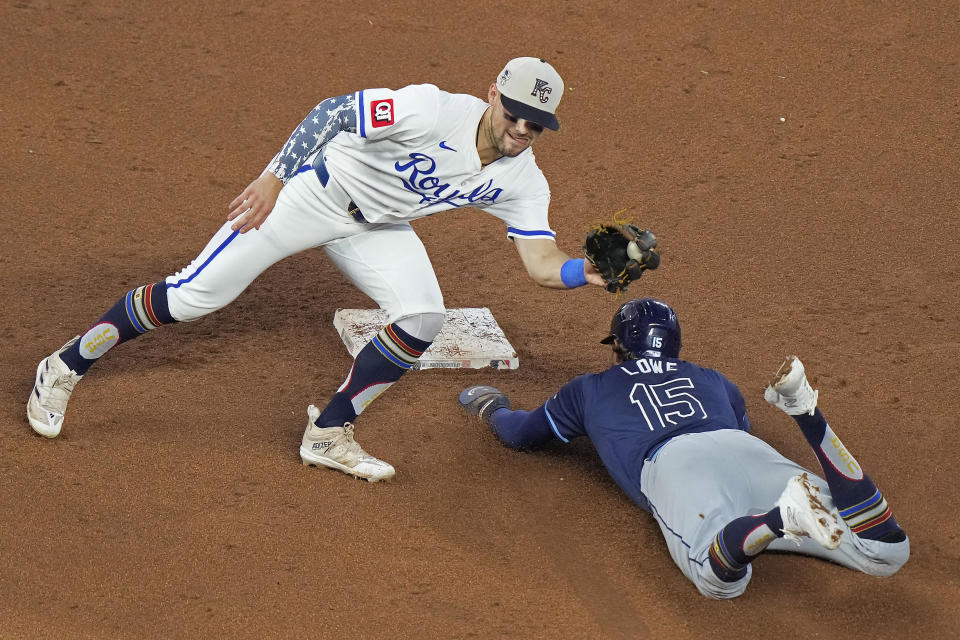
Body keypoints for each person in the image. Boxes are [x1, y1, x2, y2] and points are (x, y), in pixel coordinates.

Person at [26, 57, 609, 482]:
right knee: (193, 297)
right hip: (311, 196)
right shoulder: (431, 110)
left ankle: (328, 433)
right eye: (516, 115)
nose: (522, 131)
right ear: (492, 95)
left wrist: (588, 273)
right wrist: (272, 179)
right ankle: (64, 365)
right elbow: (333, 112)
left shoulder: (523, 179)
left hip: (378, 228)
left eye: (537, 125)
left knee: (424, 318)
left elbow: (539, 263)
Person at [458, 298, 909, 598]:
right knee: (886, 550)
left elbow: (520, 435)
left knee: (719, 580)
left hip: (676, 467)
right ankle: (806, 412)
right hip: (743, 447)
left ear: (618, 349)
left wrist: (491, 407)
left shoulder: (589, 388)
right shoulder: (714, 379)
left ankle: (779, 519)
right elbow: (739, 425)